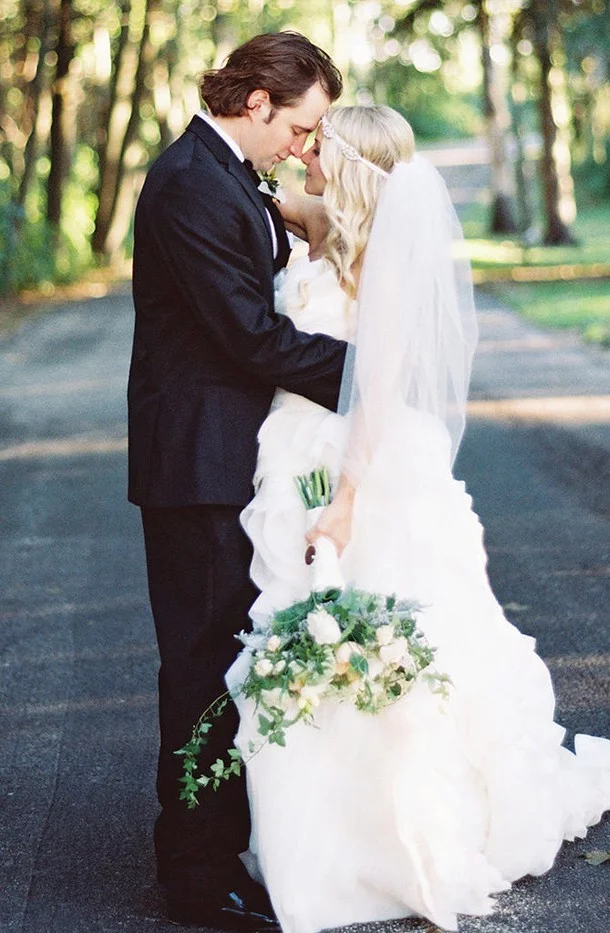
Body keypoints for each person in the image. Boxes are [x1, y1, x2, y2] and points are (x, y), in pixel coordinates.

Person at [226, 105, 610, 933]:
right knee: (314, 630)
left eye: (320, 147)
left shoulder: (386, 263)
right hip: (296, 460)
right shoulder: (339, 232)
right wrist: (290, 204)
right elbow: (317, 221)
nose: (305, 154)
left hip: (365, 475)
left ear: (346, 163)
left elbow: (376, 391)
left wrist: (346, 502)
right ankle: (320, 834)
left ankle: (395, 834)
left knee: (386, 632)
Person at [128, 32, 351, 932]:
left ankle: (223, 841)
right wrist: (375, 373)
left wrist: (298, 215)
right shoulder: (189, 184)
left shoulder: (227, 175)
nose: (305, 145)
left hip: (230, 453)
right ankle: (193, 872)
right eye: (302, 125)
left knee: (228, 654)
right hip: (196, 461)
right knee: (200, 666)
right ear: (256, 102)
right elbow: (248, 339)